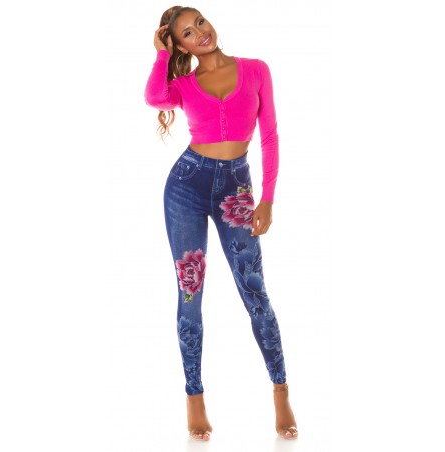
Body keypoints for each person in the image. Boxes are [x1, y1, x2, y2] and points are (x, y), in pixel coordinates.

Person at [144, 5, 298, 441]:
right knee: (190, 292)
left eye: (200, 22)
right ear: (180, 45)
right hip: (186, 187)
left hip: (236, 191)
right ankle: (194, 397)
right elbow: (153, 97)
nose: (200, 32)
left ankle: (281, 390)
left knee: (255, 290)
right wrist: (160, 54)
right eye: (187, 33)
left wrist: (267, 198)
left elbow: (269, 135)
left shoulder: (256, 69)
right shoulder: (182, 85)